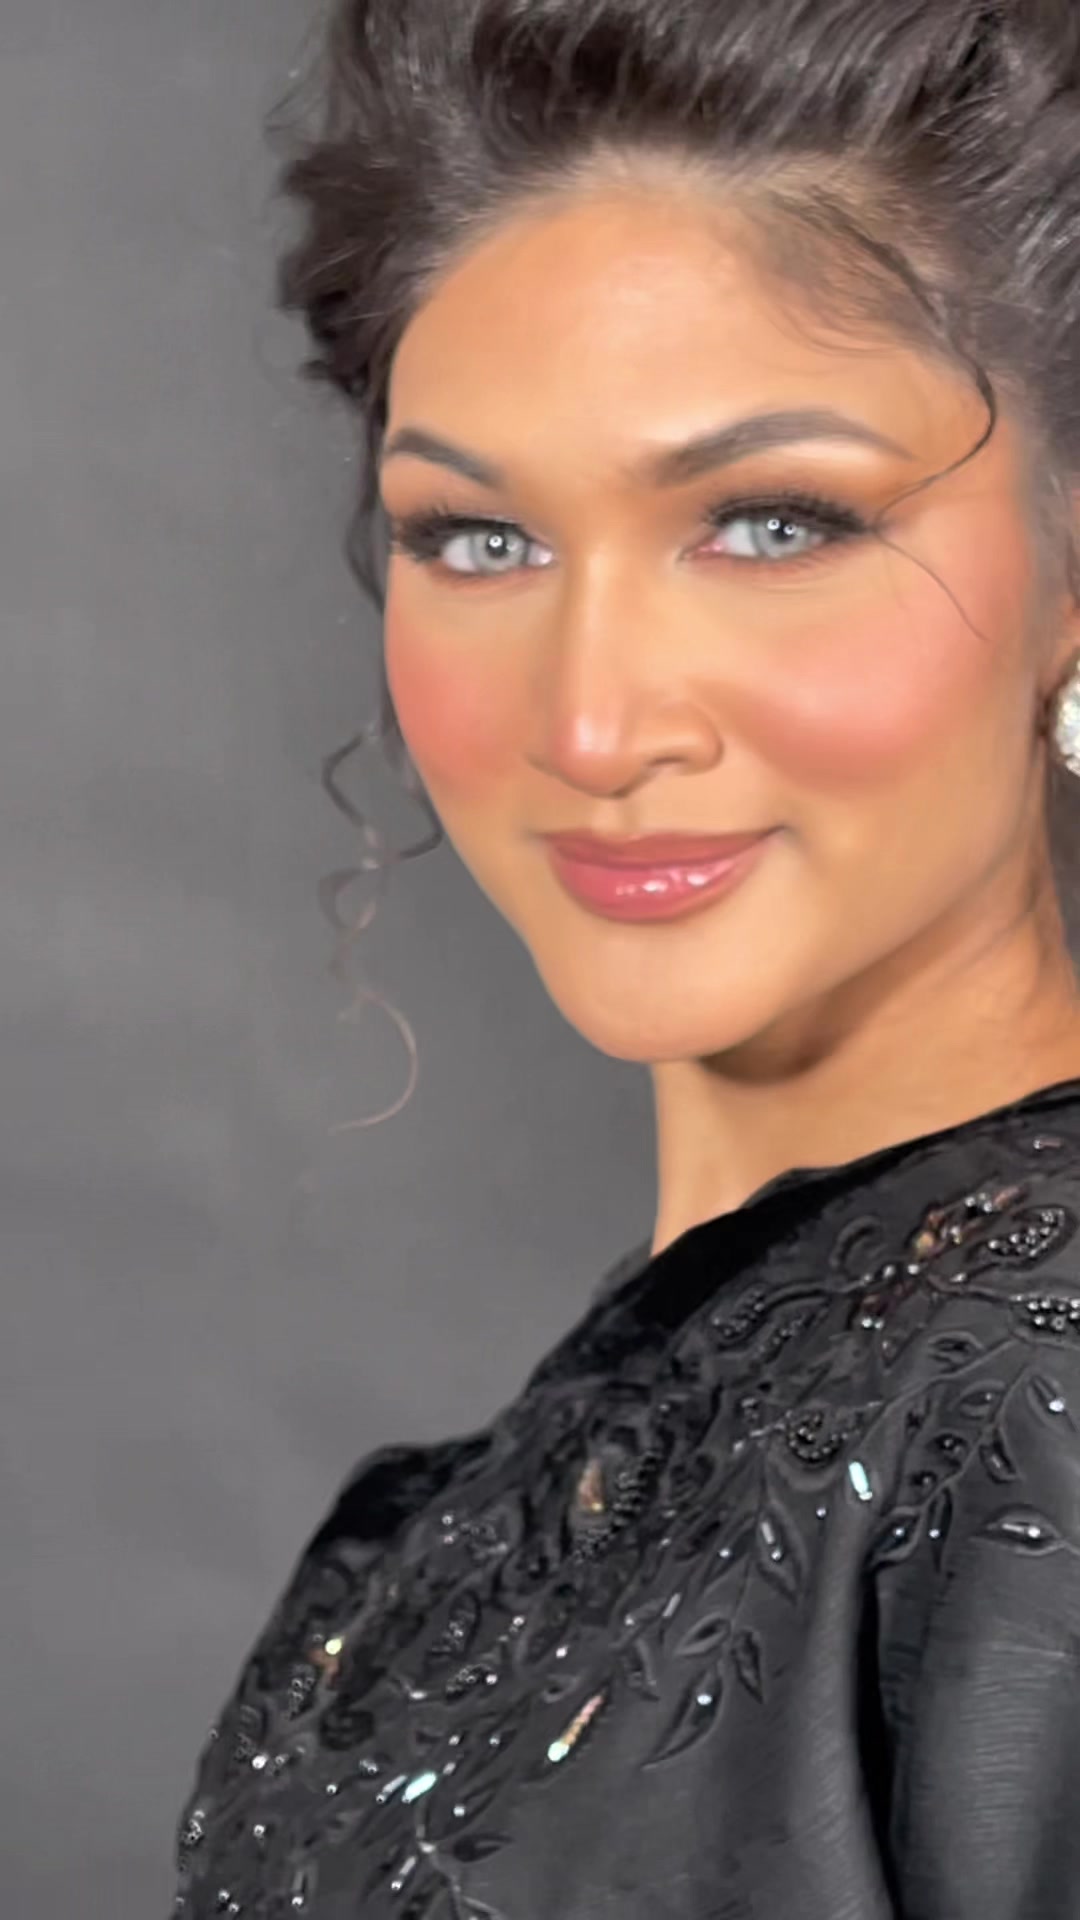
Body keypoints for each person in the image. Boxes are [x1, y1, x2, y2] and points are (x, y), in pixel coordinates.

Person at [170, 1, 1080, 1913]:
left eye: (772, 522)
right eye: (479, 539)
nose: (590, 726)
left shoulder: (1036, 1400)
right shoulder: (412, 1553)